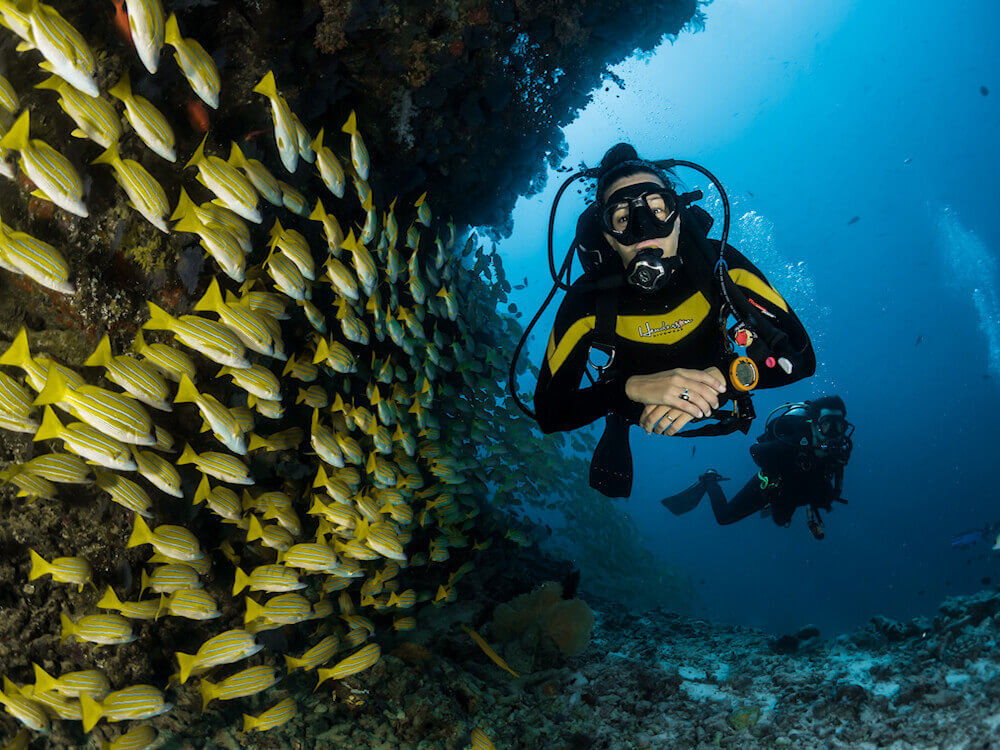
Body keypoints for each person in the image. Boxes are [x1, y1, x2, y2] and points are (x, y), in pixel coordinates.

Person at [532, 143, 816, 496]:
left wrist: (727, 378)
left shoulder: (720, 265)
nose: (643, 229)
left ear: (678, 216)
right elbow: (550, 413)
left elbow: (802, 358)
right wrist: (627, 390)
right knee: (617, 407)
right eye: (622, 218)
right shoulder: (587, 300)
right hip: (633, 404)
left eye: (657, 209)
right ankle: (618, 419)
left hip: (722, 382)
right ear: (607, 236)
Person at [661, 396, 854, 539]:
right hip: (772, 485)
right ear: (814, 425)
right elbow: (756, 451)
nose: (834, 433)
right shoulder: (794, 441)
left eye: (840, 426)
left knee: (780, 521)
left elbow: (834, 481)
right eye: (828, 425)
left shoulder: (838, 452)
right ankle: (710, 479)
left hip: (798, 490)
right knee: (724, 517)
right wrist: (772, 478)